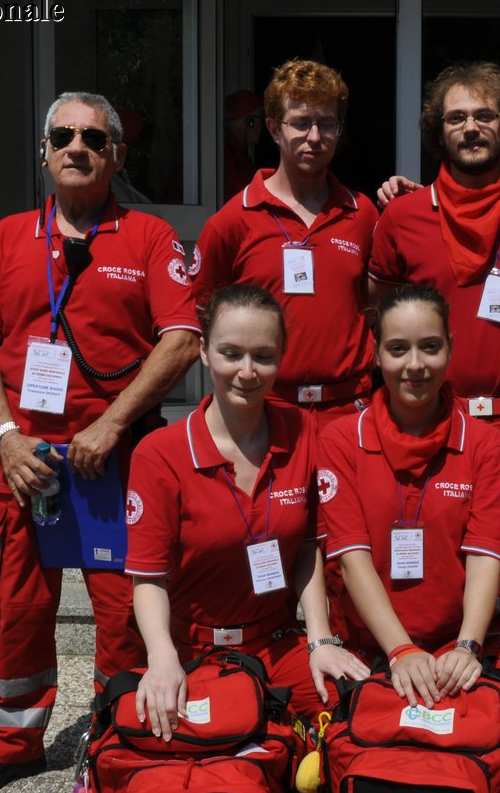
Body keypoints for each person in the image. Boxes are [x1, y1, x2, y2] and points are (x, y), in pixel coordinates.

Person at [0, 92, 201, 793]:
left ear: (117, 154)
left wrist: (113, 424)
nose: (77, 146)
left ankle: (118, 738)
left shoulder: (149, 238)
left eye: (95, 137)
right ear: (45, 149)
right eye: (63, 134)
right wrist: (5, 437)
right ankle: (12, 738)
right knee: (20, 606)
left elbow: (182, 339)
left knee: (123, 610)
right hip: (26, 461)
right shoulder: (4, 239)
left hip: (114, 461)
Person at [368, 62, 500, 673]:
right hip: (430, 422)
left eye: (484, 115)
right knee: (432, 551)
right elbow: (374, 316)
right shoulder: (403, 215)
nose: (471, 127)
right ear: (440, 129)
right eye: (457, 117)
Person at [124, 283, 368, 734]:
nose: (247, 371)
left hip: (277, 643)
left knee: (349, 717)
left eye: (263, 355)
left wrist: (320, 641)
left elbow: (308, 547)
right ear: (203, 350)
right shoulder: (159, 454)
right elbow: (148, 577)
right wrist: (162, 660)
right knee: (205, 753)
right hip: (190, 647)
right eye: (231, 353)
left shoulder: (305, 433)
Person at [318, 285, 500, 706]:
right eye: (398, 349)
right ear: (377, 353)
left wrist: (467, 646)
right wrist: (400, 651)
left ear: (450, 349)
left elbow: (485, 555)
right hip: (370, 647)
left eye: (430, 347)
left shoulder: (485, 444)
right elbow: (351, 556)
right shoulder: (341, 439)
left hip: (457, 646)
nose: (415, 365)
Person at [194, 60, 379, 428]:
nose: (315, 136)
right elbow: (201, 315)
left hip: (349, 411)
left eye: (327, 123)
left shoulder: (362, 214)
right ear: (274, 130)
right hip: (263, 411)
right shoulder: (233, 219)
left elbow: (379, 305)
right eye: (301, 123)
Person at [222, 90, 263, 200]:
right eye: (261, 119)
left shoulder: (237, 155)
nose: (263, 126)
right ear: (250, 122)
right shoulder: (227, 160)